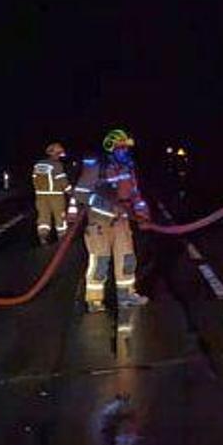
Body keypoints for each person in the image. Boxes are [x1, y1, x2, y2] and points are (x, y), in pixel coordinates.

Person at [73, 129, 151, 312]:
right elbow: (81, 194)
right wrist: (106, 205)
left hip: (122, 221)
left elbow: (135, 195)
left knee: (127, 259)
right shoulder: (96, 168)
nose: (125, 151)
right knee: (100, 261)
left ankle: (127, 295)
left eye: (126, 148)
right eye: (121, 147)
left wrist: (143, 214)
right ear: (111, 148)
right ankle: (94, 300)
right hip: (99, 222)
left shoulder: (128, 168)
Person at [31, 142, 72, 244]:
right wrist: (70, 192)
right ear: (56, 154)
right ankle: (62, 238)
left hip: (40, 196)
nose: (60, 157)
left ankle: (43, 236)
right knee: (60, 217)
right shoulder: (56, 165)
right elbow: (62, 180)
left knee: (43, 217)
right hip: (56, 195)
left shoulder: (38, 165)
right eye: (59, 154)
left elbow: (34, 179)